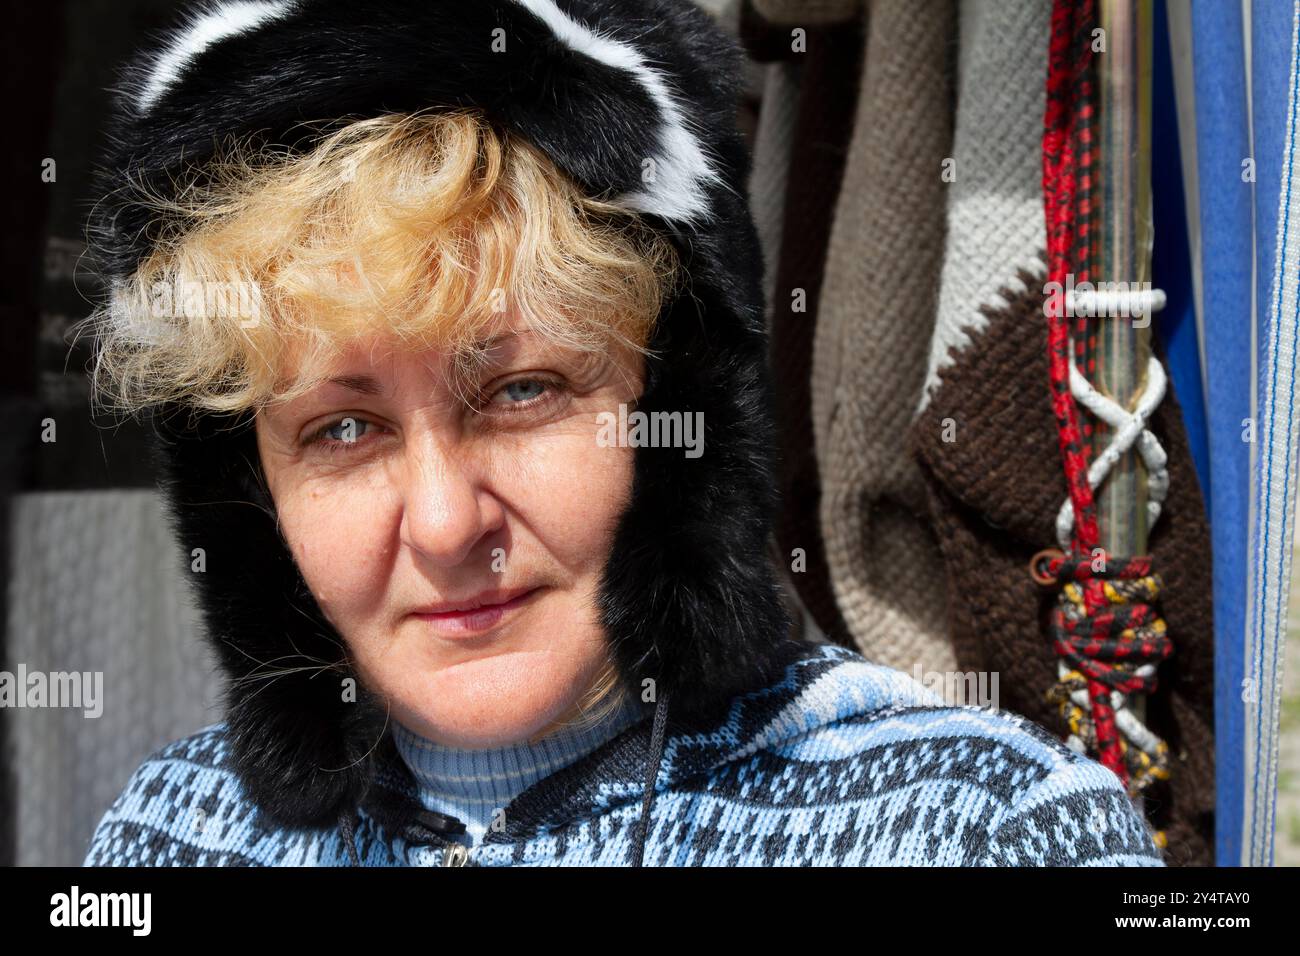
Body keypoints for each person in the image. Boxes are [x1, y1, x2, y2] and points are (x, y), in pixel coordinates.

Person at [78, 0, 1164, 867]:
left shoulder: (977, 832)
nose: (449, 523)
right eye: (342, 427)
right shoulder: (172, 834)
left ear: (677, 419)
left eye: (520, 392)